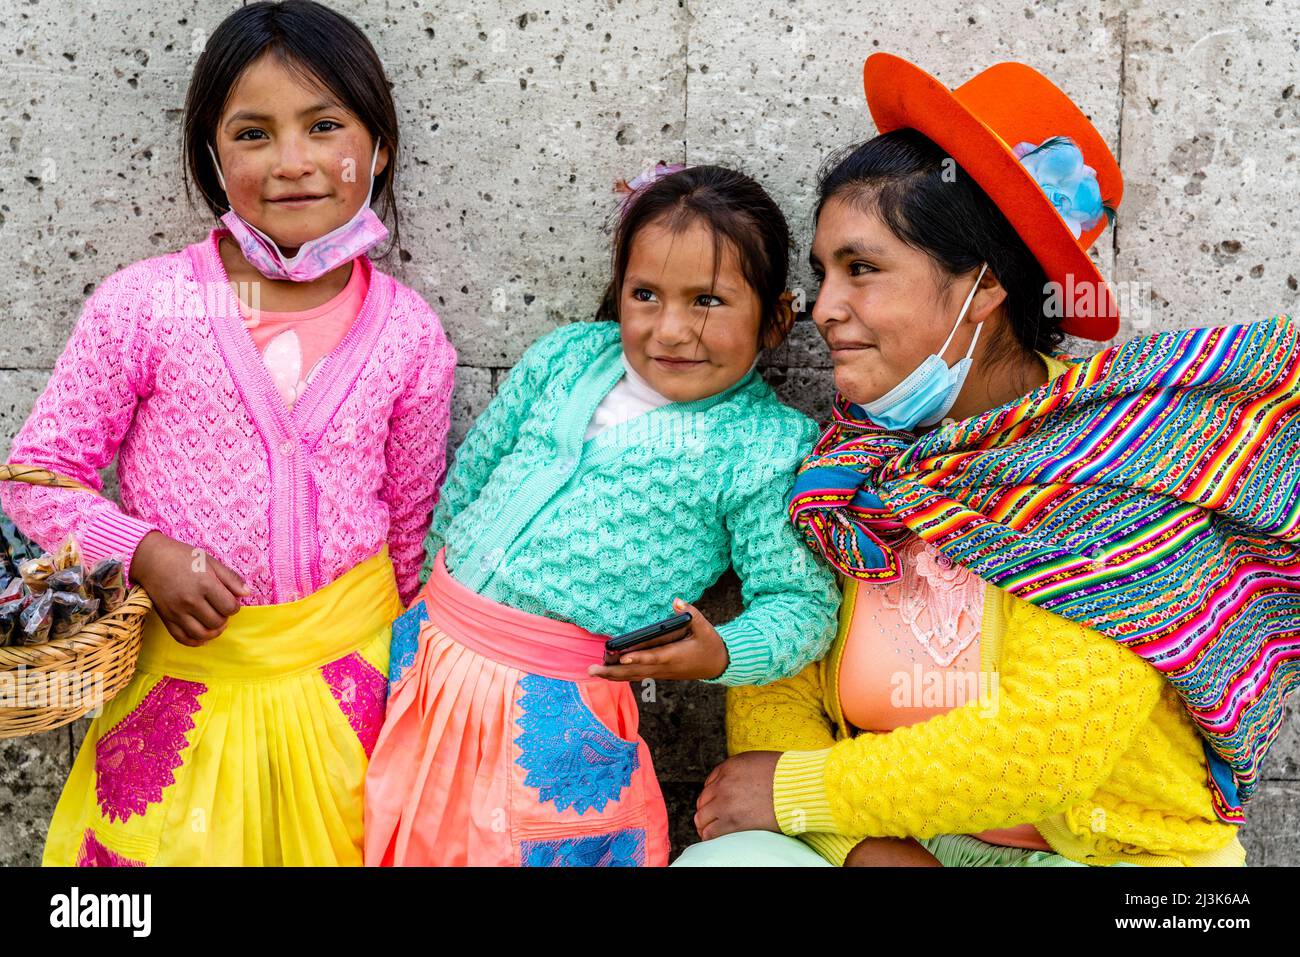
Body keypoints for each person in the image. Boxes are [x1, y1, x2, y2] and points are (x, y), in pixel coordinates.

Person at [681, 53, 1298, 867]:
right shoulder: (845, 473)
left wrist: (807, 792)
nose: (824, 310)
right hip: (890, 842)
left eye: (862, 269)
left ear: (982, 286)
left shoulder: (1118, 466)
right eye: (822, 273)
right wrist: (865, 847)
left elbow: (1047, 743)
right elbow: (779, 682)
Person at [2, 0, 456, 866]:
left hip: (350, 702)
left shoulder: (410, 335)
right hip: (180, 696)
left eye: (325, 126)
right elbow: (37, 476)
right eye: (253, 134)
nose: (293, 162)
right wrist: (141, 552)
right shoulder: (147, 305)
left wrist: (406, 677)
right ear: (214, 157)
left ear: (380, 145)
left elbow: (411, 533)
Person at [363, 164, 841, 866]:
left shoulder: (763, 447)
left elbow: (802, 604)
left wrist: (722, 655)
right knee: (403, 831)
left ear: (774, 318)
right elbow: (471, 478)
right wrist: (416, 603)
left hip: (554, 713)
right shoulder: (565, 359)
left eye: (706, 300)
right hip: (429, 658)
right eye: (645, 294)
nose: (671, 328)